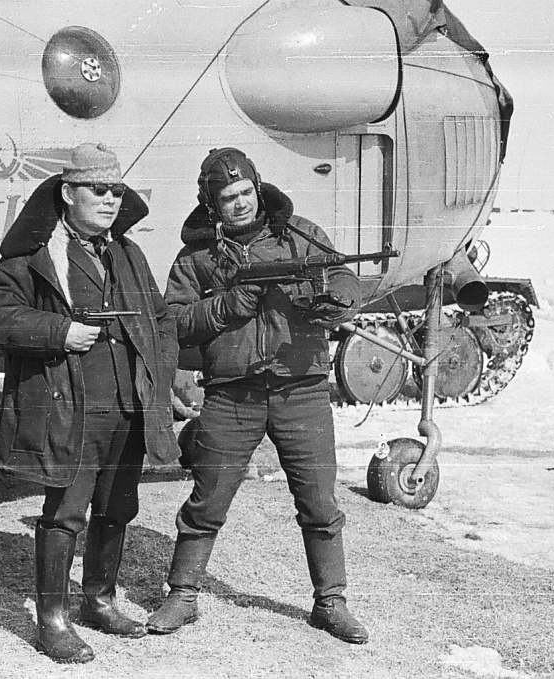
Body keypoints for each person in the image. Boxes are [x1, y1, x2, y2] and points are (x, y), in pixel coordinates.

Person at [147, 147, 368, 644]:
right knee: (208, 498)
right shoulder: (197, 256)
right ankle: (182, 595)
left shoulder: (300, 234)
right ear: (212, 203)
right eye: (229, 197)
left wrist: (335, 301)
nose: (241, 203)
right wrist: (228, 305)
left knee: (319, 500)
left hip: (302, 389)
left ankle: (330, 602)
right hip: (232, 394)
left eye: (246, 192)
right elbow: (174, 322)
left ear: (258, 187)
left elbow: (345, 277)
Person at [0, 142, 180, 663]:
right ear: (68, 194)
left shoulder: (128, 254)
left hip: (129, 410)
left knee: (117, 508)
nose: (111, 200)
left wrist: (159, 380)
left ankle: (99, 601)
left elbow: (160, 322)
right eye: (99, 190)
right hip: (73, 411)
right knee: (65, 514)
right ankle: (53, 621)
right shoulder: (35, 257)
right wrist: (59, 332)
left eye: (117, 191)